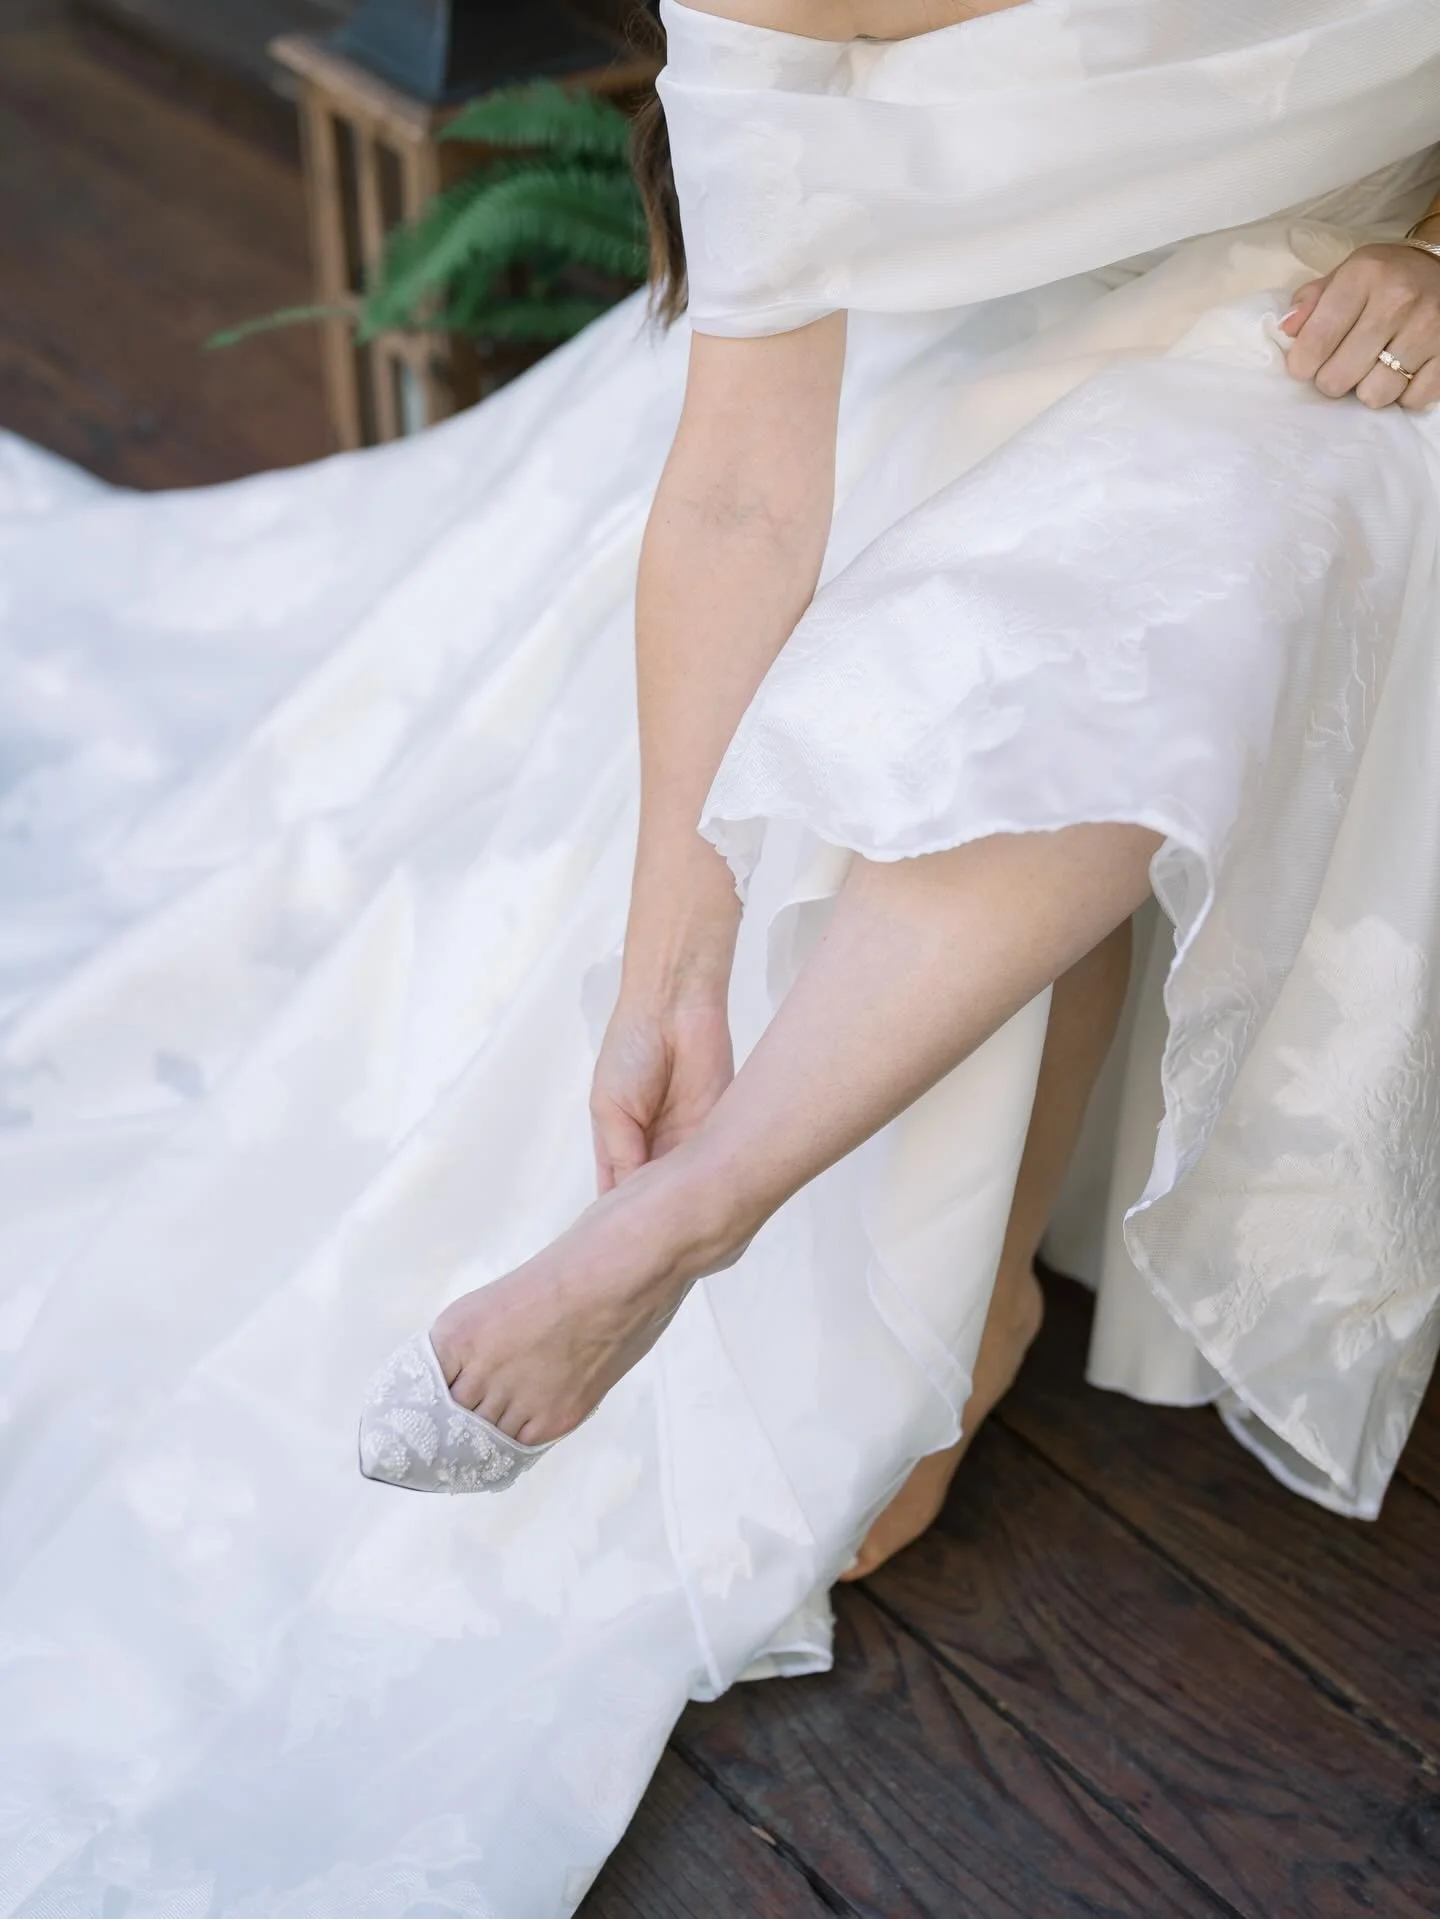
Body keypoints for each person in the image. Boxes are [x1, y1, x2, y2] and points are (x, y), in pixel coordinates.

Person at [2, 1, 1439, 1910]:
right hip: (961, 326)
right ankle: (827, 1228)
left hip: (1323, 306)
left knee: (1206, 528)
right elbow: (754, 487)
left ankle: (700, 1215)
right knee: (968, 551)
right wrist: (666, 968)